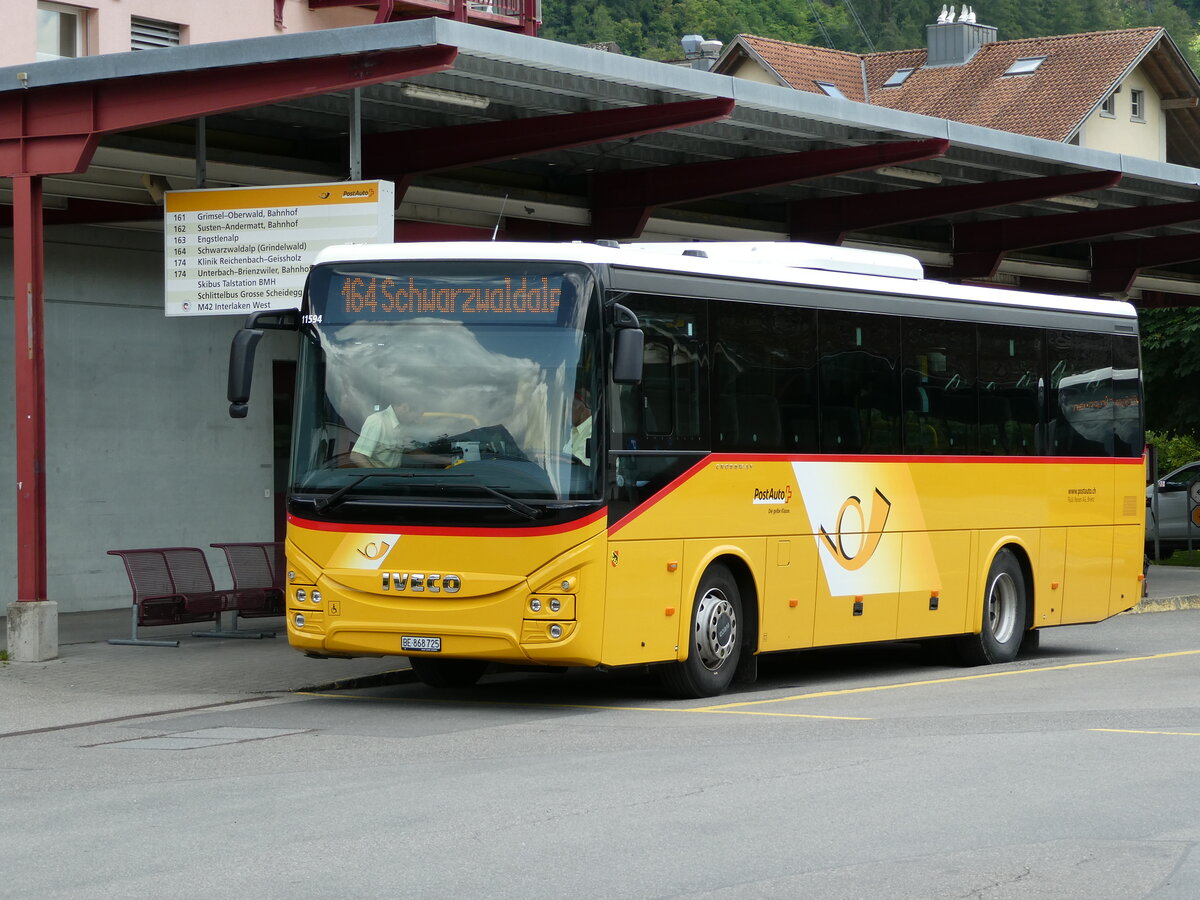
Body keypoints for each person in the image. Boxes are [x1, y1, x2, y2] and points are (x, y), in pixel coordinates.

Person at [350, 397, 414, 467]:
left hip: (394, 476)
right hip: (378, 476)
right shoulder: (377, 420)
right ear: (405, 407)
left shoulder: (401, 426)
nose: (415, 418)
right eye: (415, 413)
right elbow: (357, 456)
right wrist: (376, 476)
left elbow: (411, 451)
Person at [565, 388, 593, 464]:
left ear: (582, 407)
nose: (565, 412)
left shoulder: (592, 432)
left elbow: (576, 464)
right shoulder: (575, 430)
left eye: (569, 406)